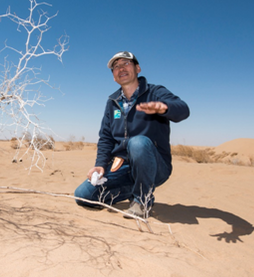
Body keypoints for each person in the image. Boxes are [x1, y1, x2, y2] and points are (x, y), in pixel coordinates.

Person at [74, 51, 190, 218]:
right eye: (116, 67)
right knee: (83, 195)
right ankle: (132, 192)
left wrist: (164, 108)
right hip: (122, 167)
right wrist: (100, 165)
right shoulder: (112, 102)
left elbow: (183, 109)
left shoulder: (155, 92)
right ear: (114, 77)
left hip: (154, 165)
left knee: (137, 143)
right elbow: (106, 137)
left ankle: (142, 200)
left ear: (138, 68)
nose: (121, 68)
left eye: (126, 64)